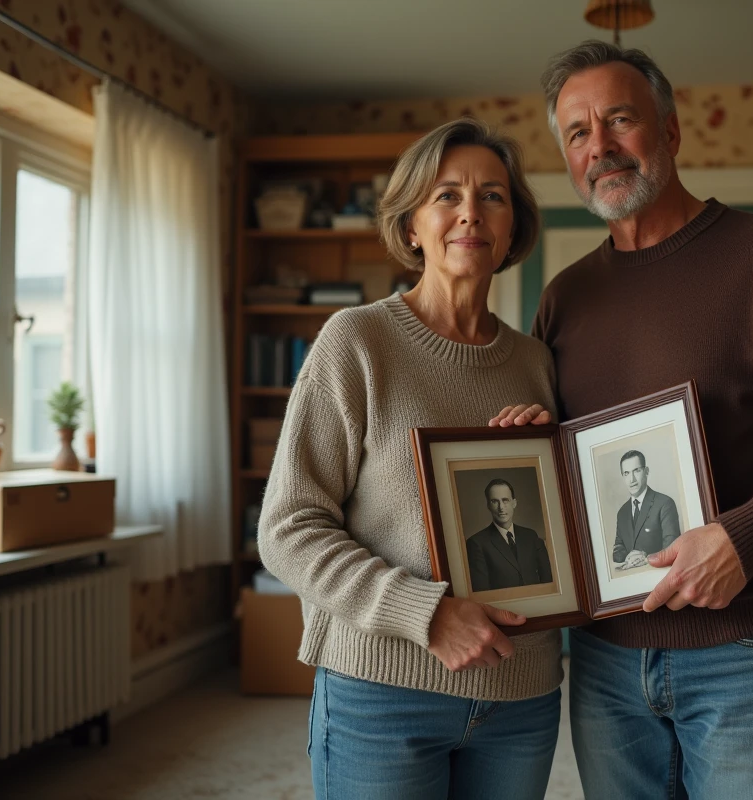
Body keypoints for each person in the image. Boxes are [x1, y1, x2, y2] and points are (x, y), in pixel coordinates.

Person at [492, 41, 753, 799]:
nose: (600, 147)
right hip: (602, 655)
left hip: (741, 646)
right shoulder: (565, 297)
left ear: (672, 131)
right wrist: (524, 446)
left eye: (620, 120)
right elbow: (570, 470)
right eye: (578, 133)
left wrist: (744, 538)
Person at [258, 118, 561, 800]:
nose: (470, 213)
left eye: (493, 196)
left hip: (522, 695)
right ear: (411, 224)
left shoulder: (538, 364)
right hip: (382, 694)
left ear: (512, 228)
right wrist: (426, 614)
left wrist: (552, 460)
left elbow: (556, 537)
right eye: (446, 195)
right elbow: (286, 529)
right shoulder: (356, 342)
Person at [467, 478, 553, 591]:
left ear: (514, 503)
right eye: (494, 501)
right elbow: (482, 591)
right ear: (488, 505)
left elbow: (548, 580)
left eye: (505, 500)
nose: (501, 507)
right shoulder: (476, 543)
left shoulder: (530, 536)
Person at [612, 450, 679, 571]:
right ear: (623, 477)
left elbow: (672, 549)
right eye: (626, 473)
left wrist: (646, 557)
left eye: (636, 471)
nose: (631, 479)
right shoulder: (622, 512)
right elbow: (617, 551)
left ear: (646, 471)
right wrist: (629, 557)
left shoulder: (665, 503)